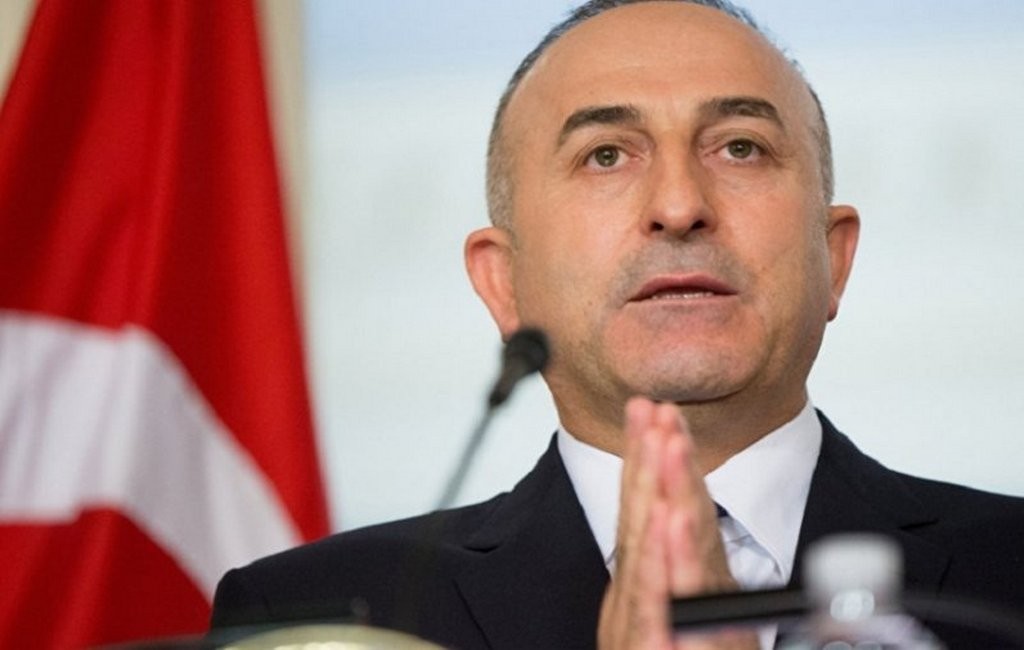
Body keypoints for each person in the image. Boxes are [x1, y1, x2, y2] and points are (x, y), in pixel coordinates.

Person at [210, 1, 1024, 648]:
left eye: (740, 148)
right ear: (503, 282)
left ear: (834, 256)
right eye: (606, 155)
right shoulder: (319, 619)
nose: (679, 206)